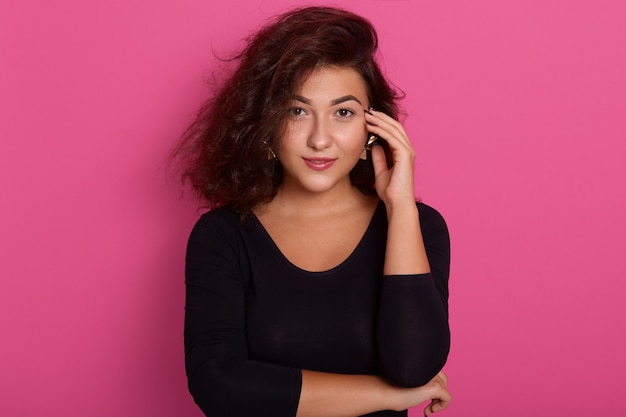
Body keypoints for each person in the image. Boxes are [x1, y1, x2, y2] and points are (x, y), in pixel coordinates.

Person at [177, 6, 451, 417]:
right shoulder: (224, 235)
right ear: (267, 123)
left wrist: (400, 207)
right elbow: (218, 383)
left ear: (371, 127)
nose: (320, 139)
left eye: (343, 112)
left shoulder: (418, 226)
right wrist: (389, 397)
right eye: (297, 111)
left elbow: (413, 366)